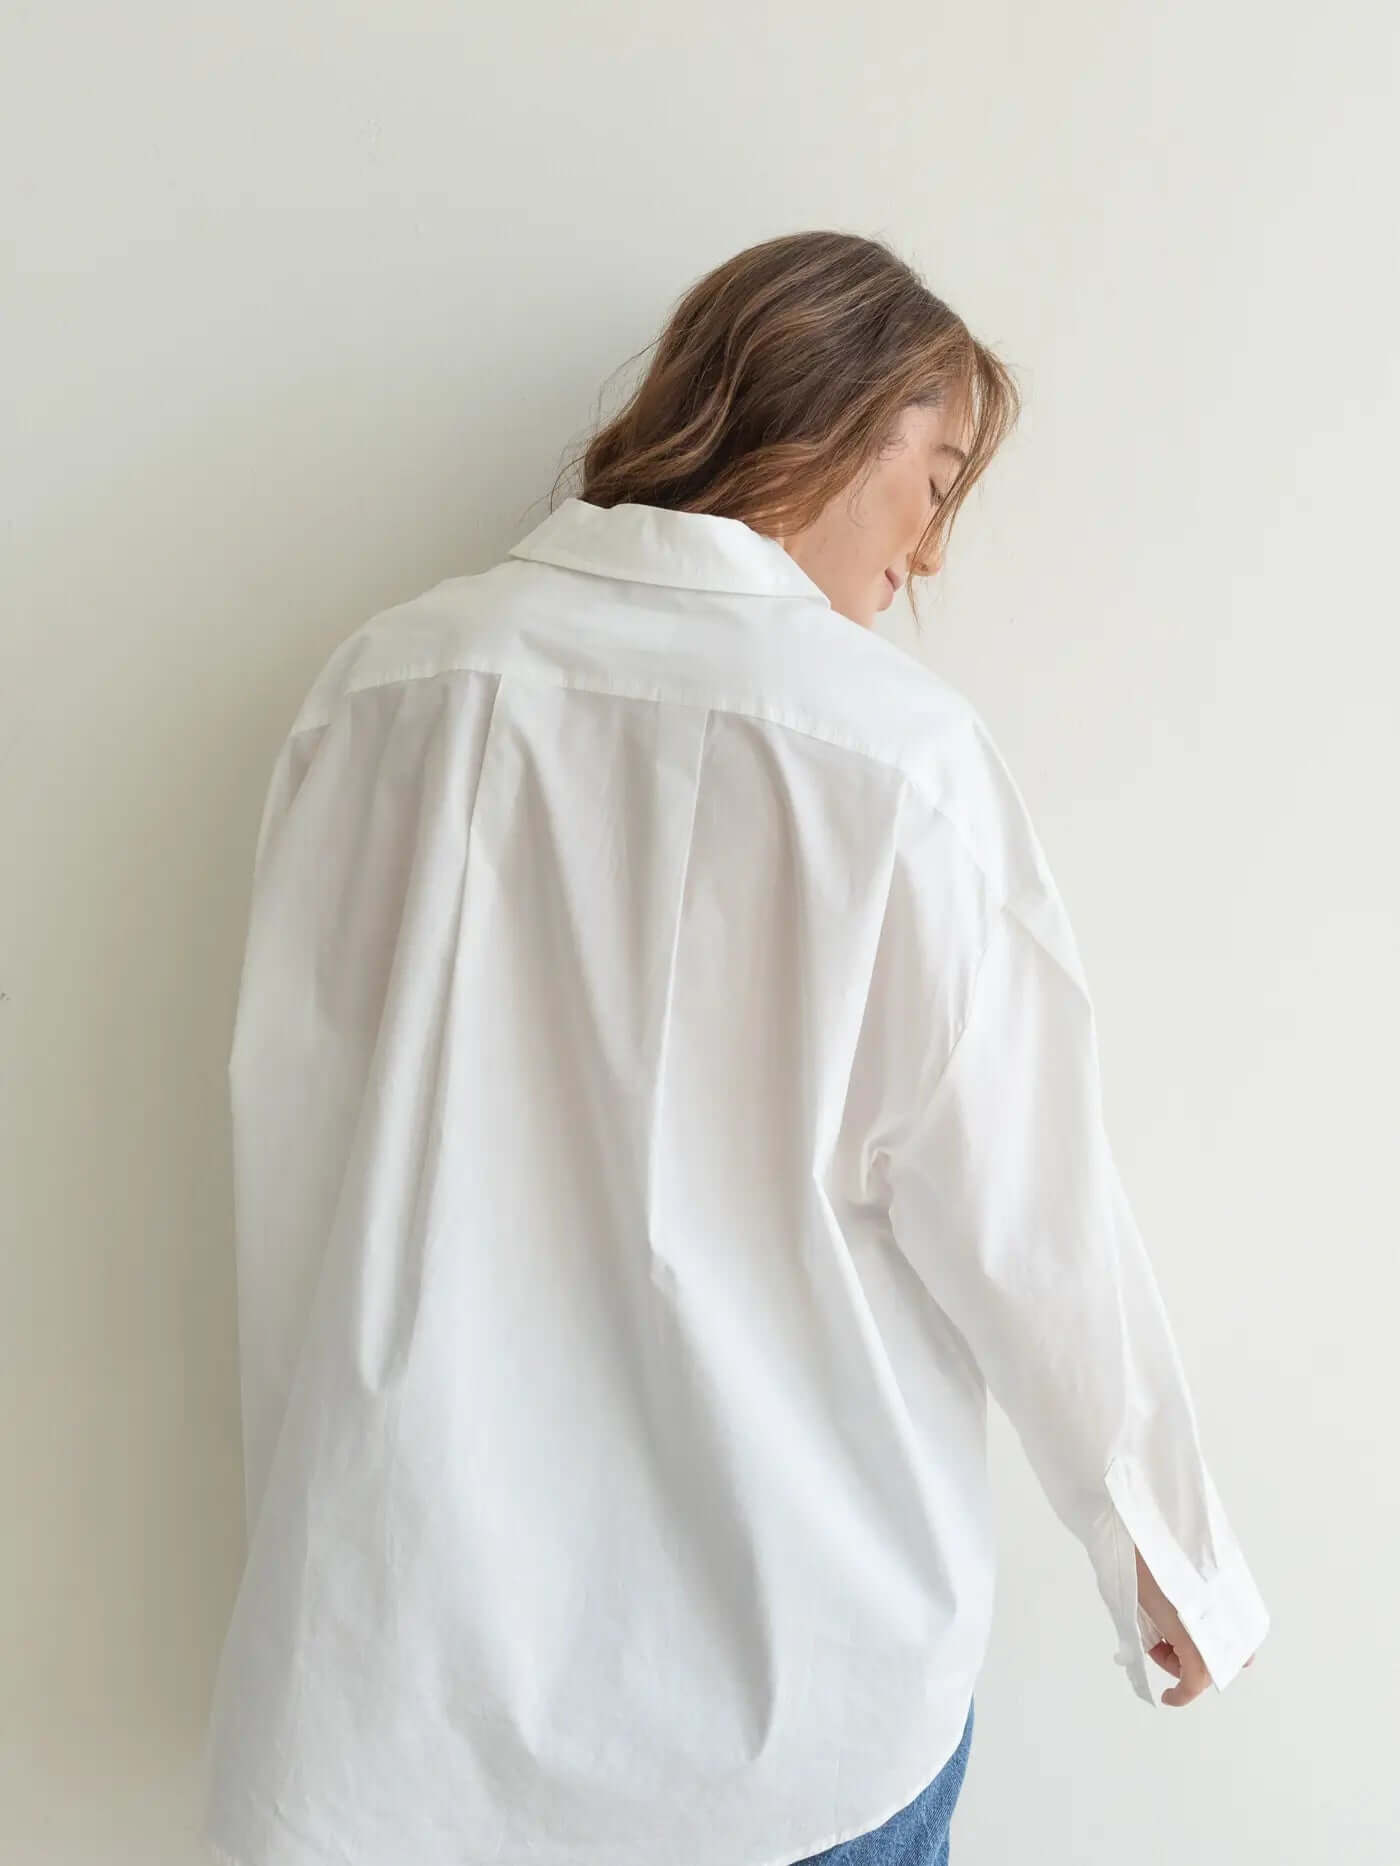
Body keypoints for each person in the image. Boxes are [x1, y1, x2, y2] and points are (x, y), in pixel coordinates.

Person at [199, 230, 1268, 1866]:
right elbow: (1028, 1202)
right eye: (937, 479)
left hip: (396, 1681)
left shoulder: (384, 689)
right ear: (825, 415)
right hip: (801, 1696)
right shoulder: (891, 756)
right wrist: (1165, 1553)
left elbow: (299, 1130)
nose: (928, 555)